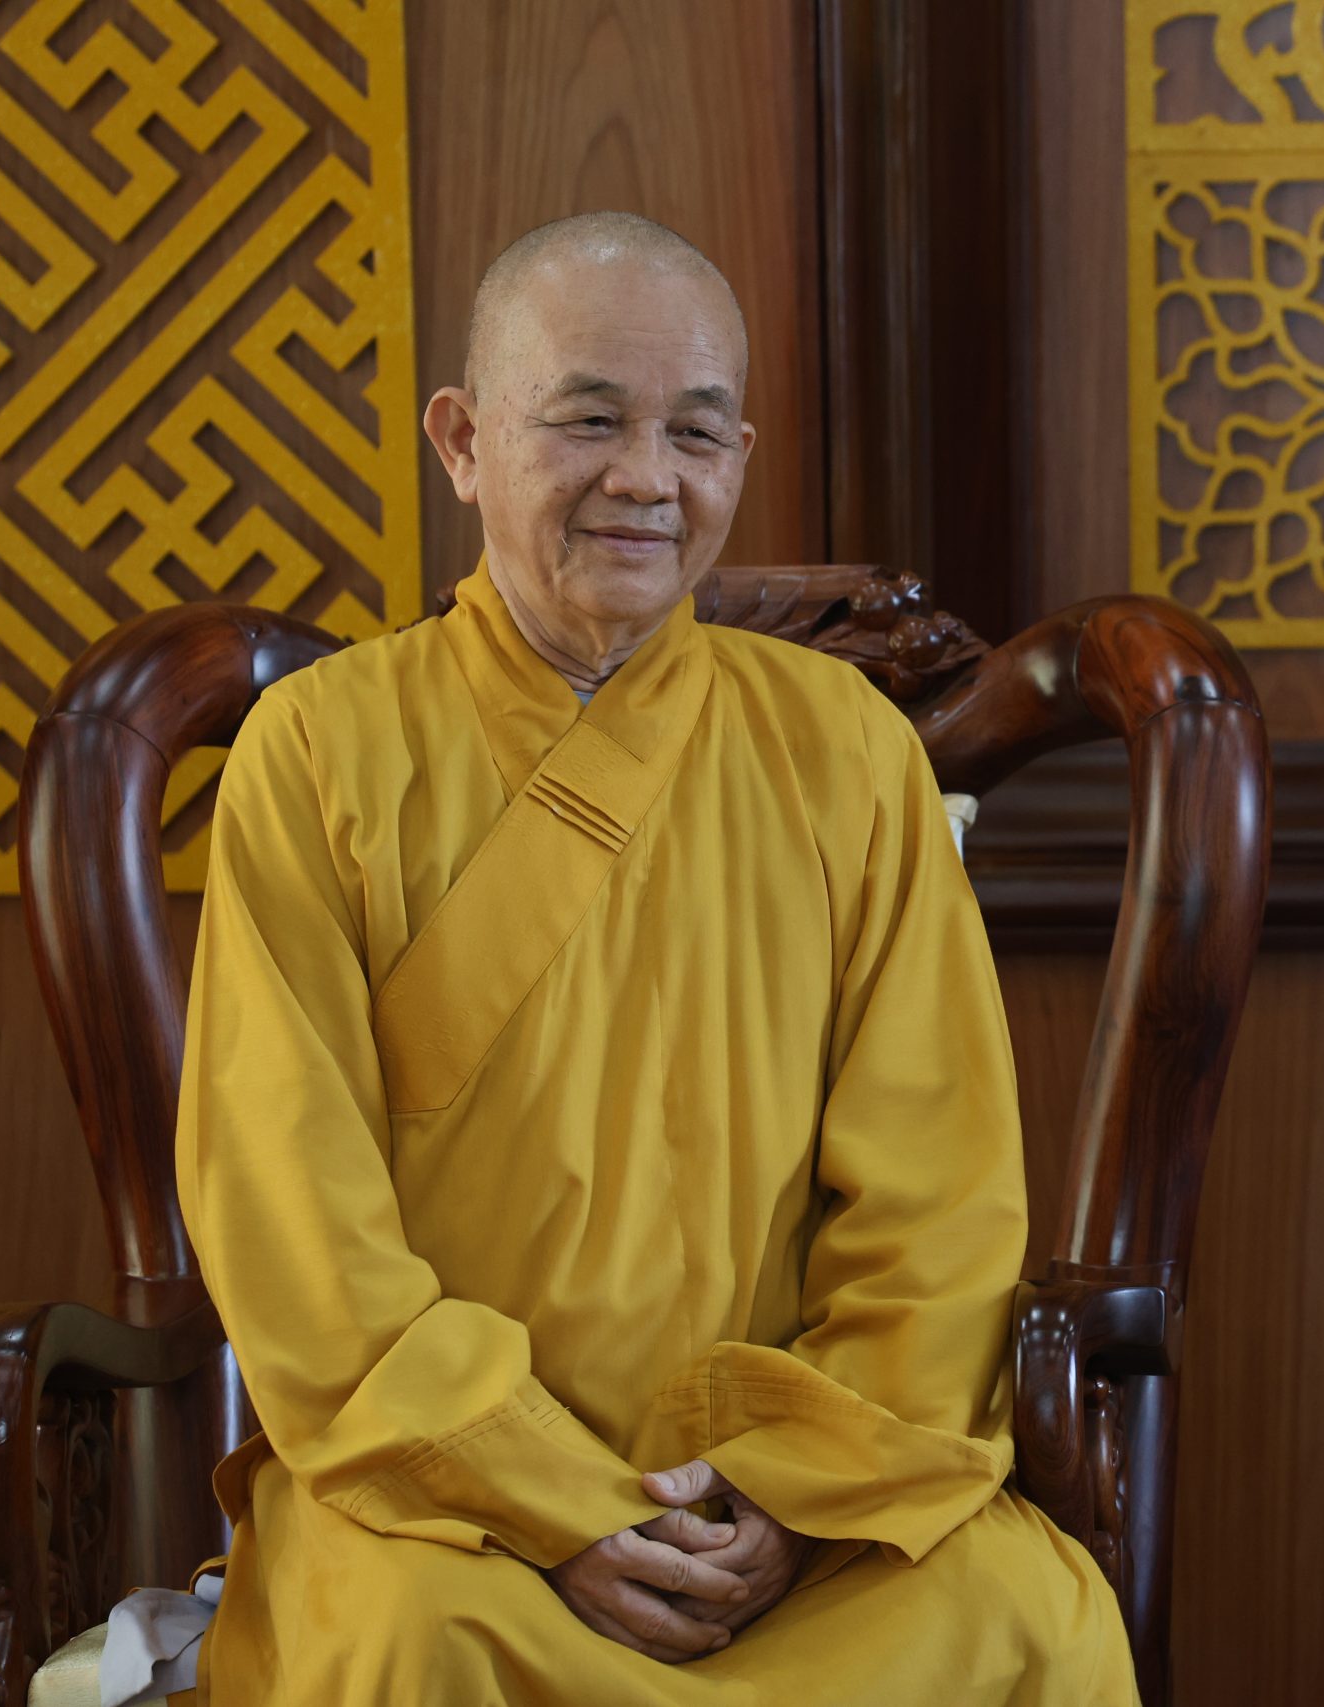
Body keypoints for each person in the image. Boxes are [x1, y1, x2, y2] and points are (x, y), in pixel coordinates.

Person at [177, 211, 1136, 1705]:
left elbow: (939, 1202)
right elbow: (292, 1220)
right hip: (454, 1511)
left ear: (738, 457)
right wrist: (550, 1501)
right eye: (588, 421)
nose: (646, 478)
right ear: (462, 443)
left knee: (1030, 1620)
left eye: (695, 433)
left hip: (790, 1511)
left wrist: (789, 1493)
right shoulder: (318, 754)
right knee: (410, 1650)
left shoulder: (846, 753)